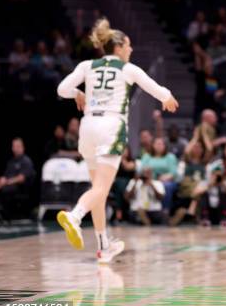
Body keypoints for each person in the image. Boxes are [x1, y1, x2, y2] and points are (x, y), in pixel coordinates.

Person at [55, 17, 179, 263]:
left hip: (88, 127)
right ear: (119, 46)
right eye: (129, 45)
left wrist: (78, 93)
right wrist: (167, 97)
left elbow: (61, 89)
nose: (131, 49)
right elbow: (154, 88)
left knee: (98, 191)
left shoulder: (87, 65)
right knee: (100, 189)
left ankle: (103, 247)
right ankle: (75, 216)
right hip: (110, 127)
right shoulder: (127, 69)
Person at [0, 138, 36, 218]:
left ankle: (6, 214)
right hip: (8, 187)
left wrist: (6, 182)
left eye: (18, 146)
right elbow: (5, 176)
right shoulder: (11, 162)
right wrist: (0, 181)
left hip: (21, 189)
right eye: (14, 146)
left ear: (23, 147)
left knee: (6, 190)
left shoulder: (26, 161)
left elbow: (21, 178)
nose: (16, 148)